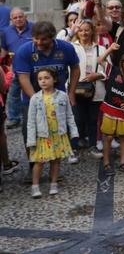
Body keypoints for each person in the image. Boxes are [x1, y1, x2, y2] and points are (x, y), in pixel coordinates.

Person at [26, 68, 77, 198]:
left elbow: (69, 115)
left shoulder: (62, 96)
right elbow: (31, 121)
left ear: (54, 79)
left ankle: (53, 183)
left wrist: (74, 132)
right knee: (39, 161)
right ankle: (35, 186)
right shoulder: (35, 98)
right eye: (40, 79)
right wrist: (31, 139)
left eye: (46, 78)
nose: (43, 81)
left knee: (56, 160)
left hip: (58, 134)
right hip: (42, 136)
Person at [70, 19, 107, 160]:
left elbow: (108, 69)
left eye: (87, 30)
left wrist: (99, 75)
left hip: (96, 90)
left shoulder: (101, 49)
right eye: (81, 30)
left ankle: (92, 145)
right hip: (76, 89)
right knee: (77, 119)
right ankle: (74, 148)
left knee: (93, 120)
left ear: (92, 31)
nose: (84, 33)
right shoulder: (72, 47)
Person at [0, 8, 33, 128]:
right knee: (13, 93)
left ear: (25, 17)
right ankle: (14, 118)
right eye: (15, 18)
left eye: (20, 16)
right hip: (15, 67)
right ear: (11, 20)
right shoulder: (6, 32)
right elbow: (4, 50)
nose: (18, 19)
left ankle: (33, 115)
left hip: (32, 66)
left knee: (32, 91)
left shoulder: (34, 28)